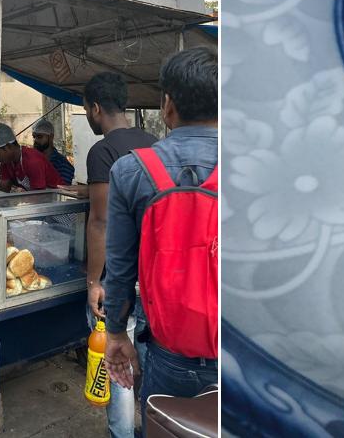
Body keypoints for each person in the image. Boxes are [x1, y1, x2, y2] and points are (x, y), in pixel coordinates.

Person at [102, 47, 218, 431]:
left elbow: (119, 267)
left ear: (167, 105)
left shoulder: (131, 171)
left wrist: (117, 333)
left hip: (171, 356)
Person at [82, 72, 158, 437]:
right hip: (153, 274)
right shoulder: (155, 142)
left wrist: (95, 281)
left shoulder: (103, 151)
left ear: (95, 108)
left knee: (119, 366)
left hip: (119, 277)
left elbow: (101, 220)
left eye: (86, 111)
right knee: (145, 363)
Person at [0, 122, 62, 192]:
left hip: (58, 199)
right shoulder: (7, 162)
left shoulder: (33, 161)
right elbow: (4, 188)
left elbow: (38, 197)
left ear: (8, 147)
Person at [32, 119, 74, 185]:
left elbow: (62, 191)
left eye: (39, 136)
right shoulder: (32, 161)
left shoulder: (62, 164)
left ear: (51, 137)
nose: (36, 140)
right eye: (34, 136)